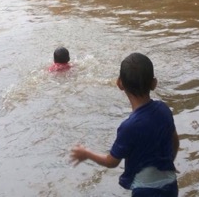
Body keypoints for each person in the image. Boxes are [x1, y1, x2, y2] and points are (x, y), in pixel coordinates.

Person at [70, 53, 180, 197]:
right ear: (154, 83)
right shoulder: (164, 109)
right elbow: (175, 143)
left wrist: (87, 154)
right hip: (171, 185)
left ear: (119, 83)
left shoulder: (129, 127)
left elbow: (111, 162)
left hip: (145, 191)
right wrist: (167, 163)